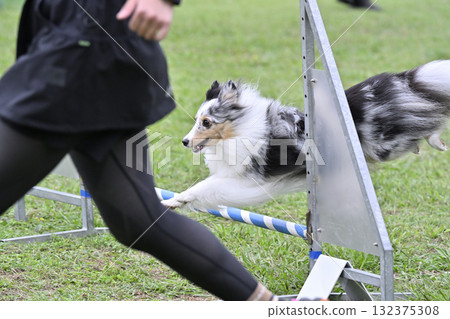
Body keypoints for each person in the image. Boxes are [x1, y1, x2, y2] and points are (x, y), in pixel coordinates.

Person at [0, 0, 276, 301]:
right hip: (72, 38)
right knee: (138, 220)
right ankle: (266, 305)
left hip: (87, 47)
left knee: (140, 220)